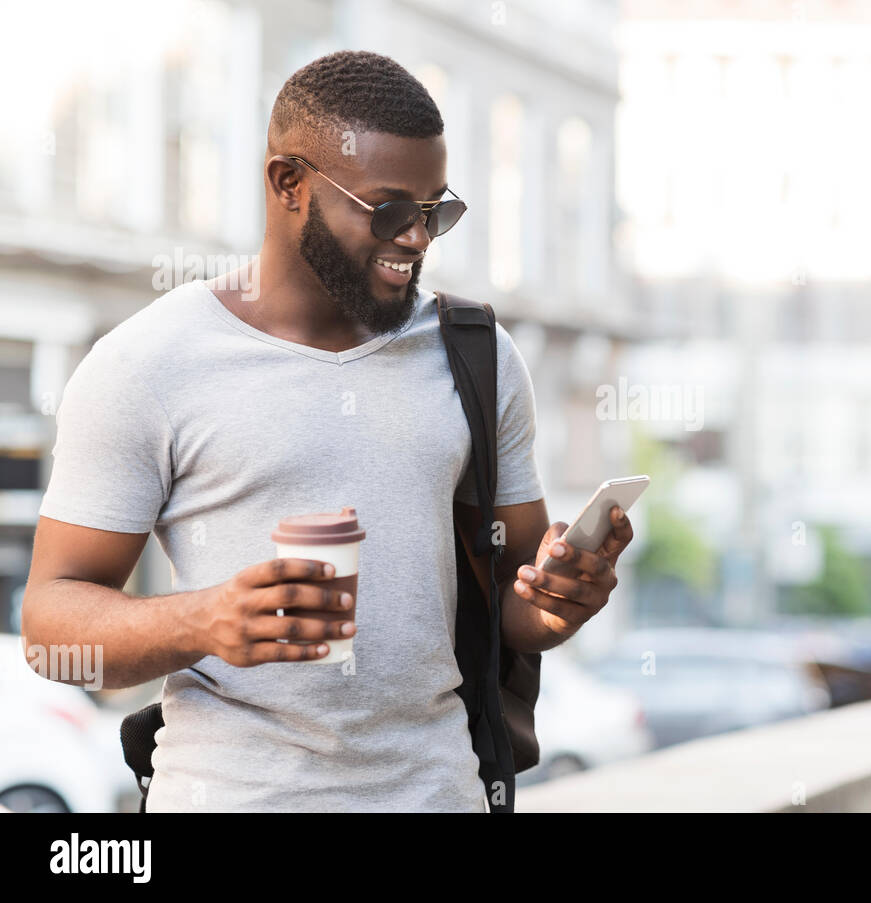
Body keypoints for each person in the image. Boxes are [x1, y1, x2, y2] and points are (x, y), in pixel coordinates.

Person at [21, 50, 633, 812]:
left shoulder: (478, 356)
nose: (416, 239)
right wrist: (206, 620)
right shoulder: (149, 364)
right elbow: (51, 630)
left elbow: (513, 607)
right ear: (288, 184)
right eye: (388, 210)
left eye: (434, 210)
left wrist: (557, 602)